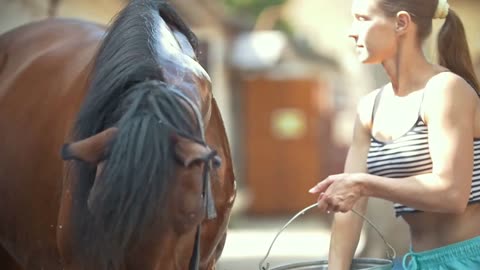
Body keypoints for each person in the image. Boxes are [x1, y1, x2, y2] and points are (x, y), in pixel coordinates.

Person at [308, 0, 480, 269]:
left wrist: (363, 184)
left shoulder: (445, 90)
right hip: (415, 262)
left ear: (401, 23)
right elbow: (350, 208)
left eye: (363, 19)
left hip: (468, 259)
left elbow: (452, 194)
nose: (351, 32)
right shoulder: (370, 108)